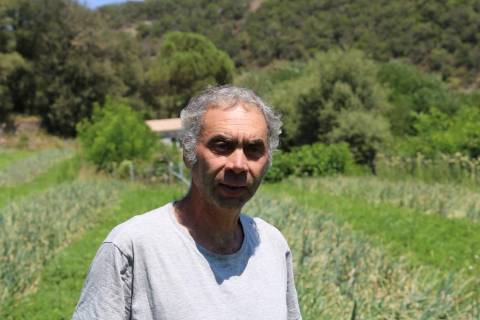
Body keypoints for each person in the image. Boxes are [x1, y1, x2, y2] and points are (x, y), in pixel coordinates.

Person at [72, 85, 302, 320]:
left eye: (254, 149)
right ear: (188, 152)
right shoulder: (133, 247)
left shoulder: (272, 246)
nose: (239, 165)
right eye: (222, 146)